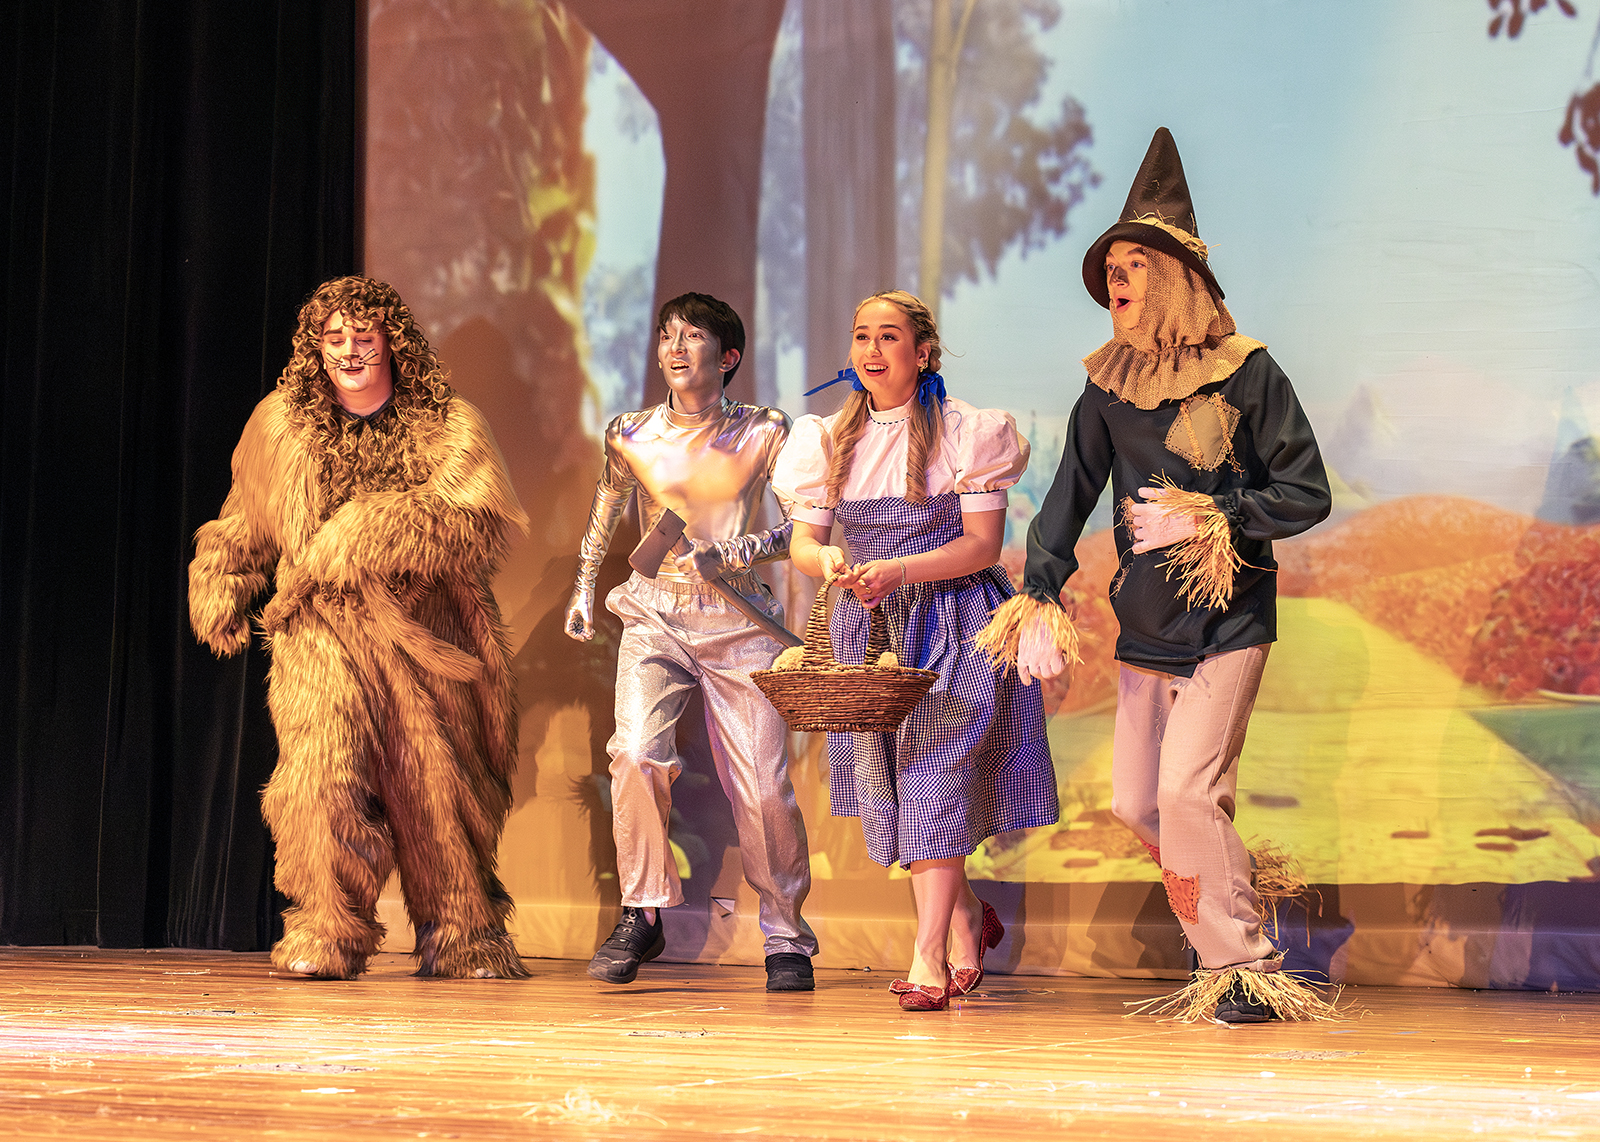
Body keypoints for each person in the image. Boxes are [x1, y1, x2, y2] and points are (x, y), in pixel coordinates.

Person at [980, 128, 1336, 1023]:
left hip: (1226, 622)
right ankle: (1231, 896)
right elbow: (1069, 492)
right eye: (1112, 268)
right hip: (1146, 626)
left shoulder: (1247, 373)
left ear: (1176, 274)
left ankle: (1241, 967)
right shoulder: (1108, 387)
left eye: (1134, 263)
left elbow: (1306, 490)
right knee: (1140, 803)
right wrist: (1039, 589)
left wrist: (1216, 515)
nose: (1117, 280)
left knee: (1187, 793)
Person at [189, 275, 529, 980]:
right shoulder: (279, 427)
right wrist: (221, 579)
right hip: (319, 627)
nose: (348, 351)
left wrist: (365, 529)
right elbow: (247, 515)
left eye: (363, 337)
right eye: (334, 337)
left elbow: (474, 520)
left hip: (422, 628)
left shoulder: (449, 424)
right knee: (320, 776)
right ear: (315, 348)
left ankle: (462, 932)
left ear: (392, 343)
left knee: (435, 785)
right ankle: (327, 927)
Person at [773, 289, 1059, 1012]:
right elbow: (805, 542)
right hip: (871, 630)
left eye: (889, 336)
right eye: (861, 336)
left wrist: (901, 570)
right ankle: (965, 918)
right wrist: (826, 561)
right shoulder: (828, 440)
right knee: (895, 794)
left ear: (922, 352)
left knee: (935, 783)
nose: (871, 350)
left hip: (955, 621)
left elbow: (983, 546)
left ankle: (926, 957)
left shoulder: (967, 433)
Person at [564, 293, 818, 991]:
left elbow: (801, 529)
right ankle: (642, 912)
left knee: (763, 785)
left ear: (728, 356)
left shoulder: (765, 430)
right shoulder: (630, 432)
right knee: (635, 754)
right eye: (667, 335)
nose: (676, 347)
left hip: (737, 618)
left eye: (694, 335)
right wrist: (584, 588)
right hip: (654, 612)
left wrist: (735, 552)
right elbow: (606, 510)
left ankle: (786, 937)